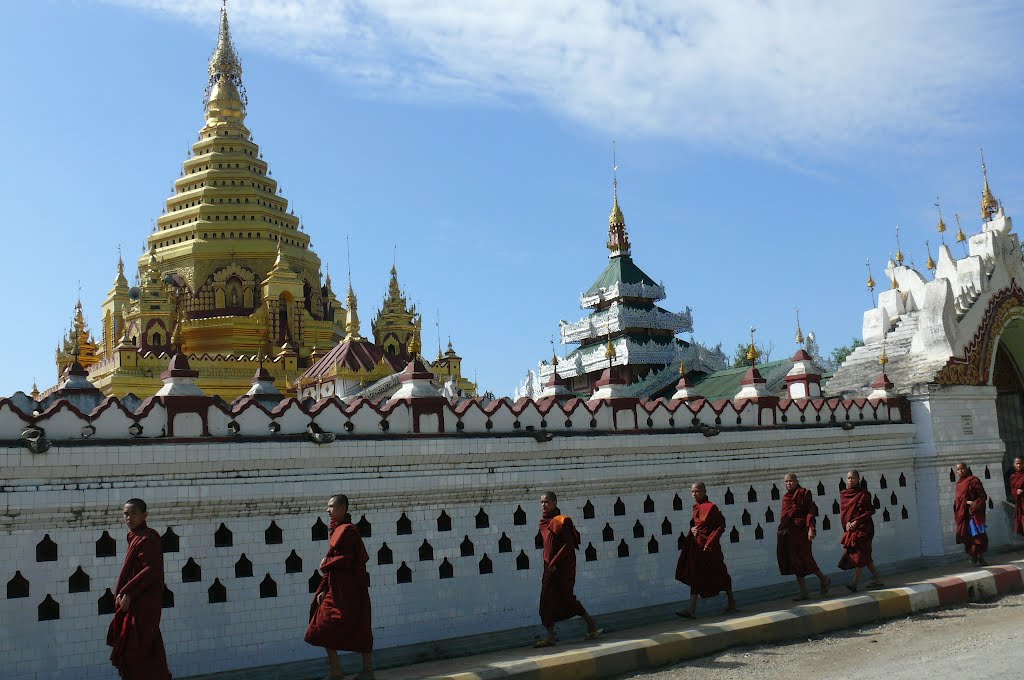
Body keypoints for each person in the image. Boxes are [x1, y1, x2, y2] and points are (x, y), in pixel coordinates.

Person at [305, 495, 375, 679]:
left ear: (342, 508)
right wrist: (325, 588)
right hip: (336, 590)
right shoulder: (339, 530)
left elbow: (347, 559)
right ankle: (336, 669)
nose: (327, 510)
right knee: (322, 625)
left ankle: (367, 671)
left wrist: (326, 562)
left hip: (352, 590)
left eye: (331, 506)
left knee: (360, 627)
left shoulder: (348, 531)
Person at [106, 498, 172, 680]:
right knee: (140, 649)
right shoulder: (134, 536)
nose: (129, 518)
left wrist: (128, 592)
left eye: (134, 513)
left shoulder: (149, 537)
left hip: (144, 605)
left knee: (136, 650)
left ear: (145, 515)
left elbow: (151, 569)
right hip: (136, 603)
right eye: (126, 514)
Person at [534, 491, 601, 648]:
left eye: (547, 502)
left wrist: (555, 562)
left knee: (567, 597)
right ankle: (550, 636)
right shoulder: (544, 522)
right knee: (545, 601)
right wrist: (548, 564)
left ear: (555, 503)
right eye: (541, 502)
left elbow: (568, 544)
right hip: (549, 567)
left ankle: (590, 623)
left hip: (562, 567)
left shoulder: (561, 521)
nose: (543, 505)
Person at [675, 482, 738, 618]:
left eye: (697, 491)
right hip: (697, 547)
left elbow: (720, 526)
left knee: (721, 572)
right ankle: (690, 609)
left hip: (710, 548)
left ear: (704, 491)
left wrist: (709, 543)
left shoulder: (711, 507)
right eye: (692, 492)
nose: (694, 494)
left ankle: (732, 602)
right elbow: (696, 525)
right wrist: (691, 530)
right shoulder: (696, 507)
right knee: (696, 575)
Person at [777, 473, 830, 599]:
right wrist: (783, 528)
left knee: (806, 558)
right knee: (795, 561)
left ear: (796, 481)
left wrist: (811, 529)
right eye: (786, 482)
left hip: (802, 531)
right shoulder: (786, 497)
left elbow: (811, 512)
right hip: (791, 533)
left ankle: (824, 578)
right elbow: (785, 515)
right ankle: (804, 591)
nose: (788, 483)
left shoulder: (804, 493)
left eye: (791, 481)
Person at [838, 470, 883, 591]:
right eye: (848, 478)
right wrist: (847, 523)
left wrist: (856, 522)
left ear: (858, 479)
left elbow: (869, 511)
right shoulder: (844, 494)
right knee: (865, 555)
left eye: (853, 478)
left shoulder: (864, 494)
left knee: (859, 554)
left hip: (864, 528)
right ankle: (878, 579)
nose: (850, 480)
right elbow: (845, 513)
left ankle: (854, 583)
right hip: (851, 528)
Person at [954, 463, 989, 566]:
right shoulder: (959, 484)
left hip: (973, 514)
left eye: (962, 469)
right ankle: (973, 556)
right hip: (963, 514)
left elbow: (982, 496)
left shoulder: (973, 480)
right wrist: (965, 503)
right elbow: (959, 500)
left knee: (978, 535)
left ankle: (981, 558)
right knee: (967, 536)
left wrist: (973, 504)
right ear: (956, 472)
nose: (961, 471)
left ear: (967, 469)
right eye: (958, 470)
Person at [1010, 456, 1024, 537]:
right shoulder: (1013, 477)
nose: (1019, 465)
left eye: (1021, 463)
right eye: (1017, 464)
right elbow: (1013, 490)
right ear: (1014, 465)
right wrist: (1017, 492)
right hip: (1020, 505)